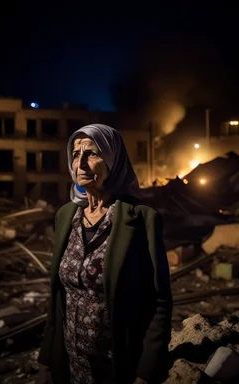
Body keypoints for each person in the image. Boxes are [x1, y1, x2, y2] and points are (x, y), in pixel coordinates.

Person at [37, 124, 173, 384]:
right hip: (70, 362)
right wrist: (46, 359)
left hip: (117, 366)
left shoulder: (141, 218)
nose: (82, 163)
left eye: (92, 153)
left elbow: (160, 301)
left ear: (113, 160)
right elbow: (57, 297)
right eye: (76, 154)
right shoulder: (65, 216)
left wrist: (146, 371)